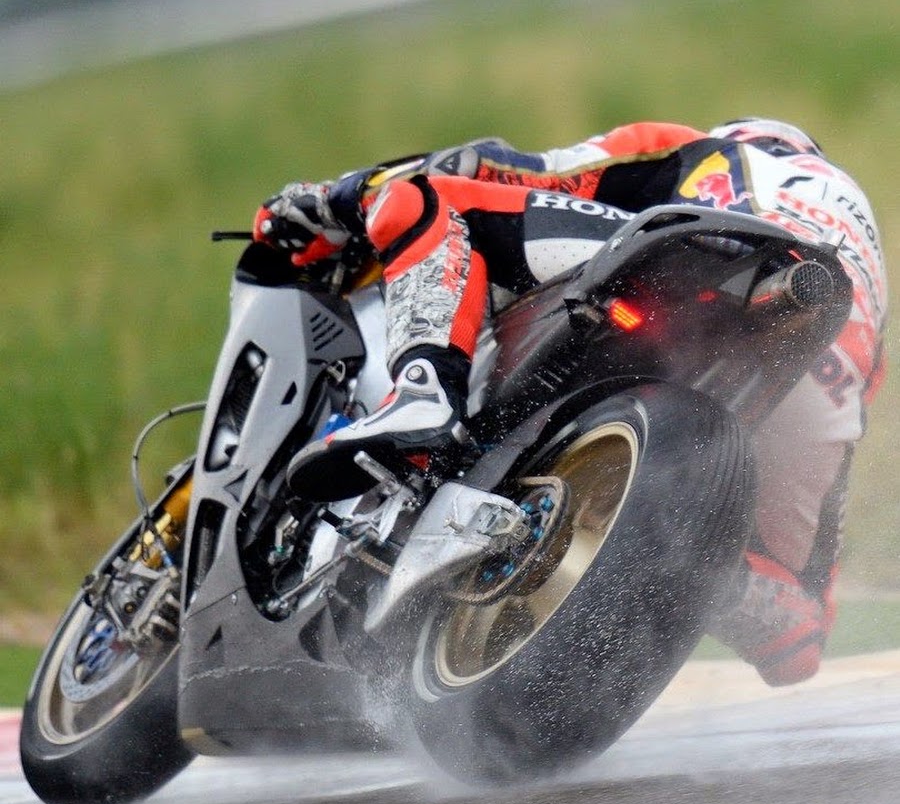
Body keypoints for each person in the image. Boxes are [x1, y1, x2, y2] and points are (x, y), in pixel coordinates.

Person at [252, 118, 887, 688]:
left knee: (428, 200)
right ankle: (701, 565)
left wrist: (333, 200)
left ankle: (426, 392)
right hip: (822, 370)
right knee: (798, 629)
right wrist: (698, 545)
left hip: (707, 264)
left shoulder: (710, 151)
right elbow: (798, 656)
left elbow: (498, 168)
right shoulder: (865, 267)